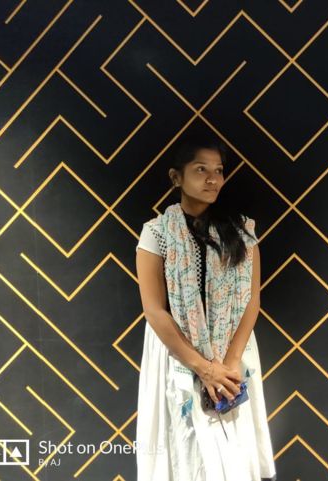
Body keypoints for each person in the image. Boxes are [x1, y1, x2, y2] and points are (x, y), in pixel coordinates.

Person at [135, 133, 277, 480]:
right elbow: (154, 310)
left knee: (233, 452)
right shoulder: (157, 233)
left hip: (232, 352)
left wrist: (229, 363)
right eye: (201, 169)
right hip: (178, 353)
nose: (213, 179)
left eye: (218, 170)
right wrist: (202, 367)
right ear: (176, 177)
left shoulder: (242, 231)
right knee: (184, 450)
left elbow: (252, 300)